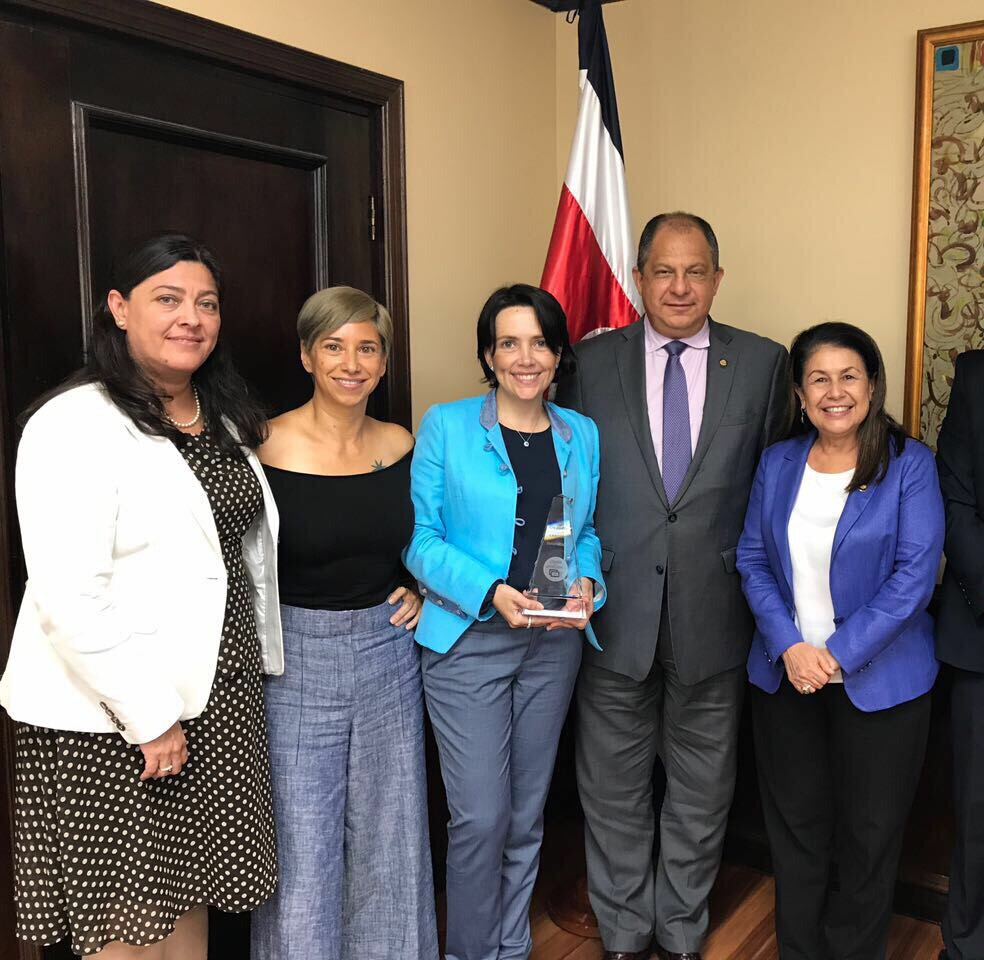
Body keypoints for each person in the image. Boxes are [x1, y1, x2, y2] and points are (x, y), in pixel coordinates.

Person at [0, 234, 281, 958]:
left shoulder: (218, 417)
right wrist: (149, 718)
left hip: (215, 698)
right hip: (116, 714)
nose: (192, 317)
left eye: (207, 303)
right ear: (119, 309)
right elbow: (68, 595)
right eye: (168, 298)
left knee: (184, 899)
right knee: (126, 921)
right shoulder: (74, 423)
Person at [555, 212, 787, 960]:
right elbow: (559, 482)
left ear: (717, 278)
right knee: (612, 789)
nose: (680, 286)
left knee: (701, 791)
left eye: (696, 271)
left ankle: (682, 930)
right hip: (612, 612)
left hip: (716, 614)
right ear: (638, 278)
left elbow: (778, 484)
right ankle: (624, 932)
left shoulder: (763, 363)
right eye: (664, 270)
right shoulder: (589, 363)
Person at [405, 283, 606, 960]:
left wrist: (588, 581)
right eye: (508, 343)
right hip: (469, 642)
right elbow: (421, 540)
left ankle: (509, 948)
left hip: (553, 646)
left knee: (525, 817)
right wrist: (490, 590)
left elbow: (587, 533)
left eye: (540, 343)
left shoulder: (583, 435)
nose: (526, 357)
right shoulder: (448, 425)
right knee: (481, 819)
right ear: (488, 355)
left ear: (558, 353)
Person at [737, 322, 943, 960]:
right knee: (796, 836)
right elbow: (751, 558)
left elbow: (914, 577)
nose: (834, 391)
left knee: (868, 838)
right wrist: (792, 647)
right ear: (799, 396)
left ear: (873, 385)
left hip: (880, 684)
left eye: (849, 375)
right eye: (818, 379)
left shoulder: (911, 465)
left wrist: (836, 655)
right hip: (785, 680)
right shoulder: (776, 462)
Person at [250, 286, 438, 960]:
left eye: (367, 347)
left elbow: (427, 537)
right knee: (303, 842)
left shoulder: (402, 444)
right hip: (294, 660)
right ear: (306, 355)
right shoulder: (262, 444)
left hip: (389, 652)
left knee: (392, 836)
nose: (351, 362)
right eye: (333, 345)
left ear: (384, 362)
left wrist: (422, 591)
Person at [936, 350, 984, 960]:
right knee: (977, 810)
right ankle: (969, 945)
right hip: (981, 632)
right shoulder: (975, 375)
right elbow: (957, 499)